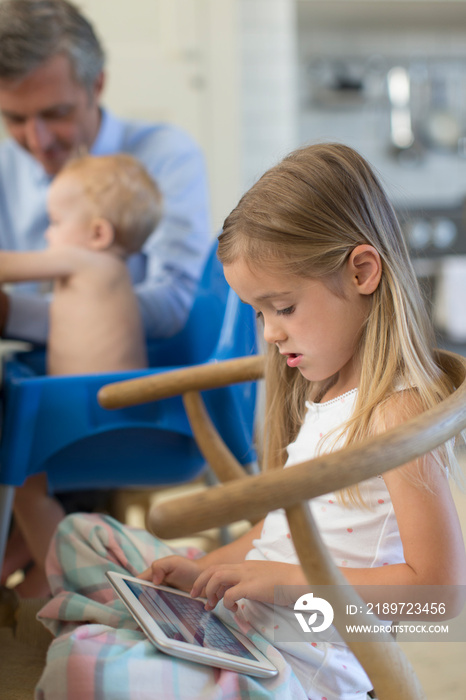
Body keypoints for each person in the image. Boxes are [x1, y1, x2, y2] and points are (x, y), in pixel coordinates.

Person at [35, 144, 466, 700]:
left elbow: (441, 597)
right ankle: (149, 636)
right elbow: (281, 532)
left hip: (301, 664)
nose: (269, 333)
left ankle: (130, 647)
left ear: (363, 272)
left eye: (283, 307)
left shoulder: (394, 408)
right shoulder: (328, 389)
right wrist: (202, 575)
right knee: (81, 535)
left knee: (85, 666)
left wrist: (287, 584)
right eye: (259, 313)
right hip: (249, 620)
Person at [0, 0, 211, 346]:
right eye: (14, 119)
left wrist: (12, 314)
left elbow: (175, 301)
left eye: (56, 114)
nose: (37, 141)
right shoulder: (4, 168)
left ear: (96, 86)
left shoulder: (165, 156)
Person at [0, 152, 163, 598]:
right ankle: (33, 588)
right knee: (27, 486)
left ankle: (73, 581)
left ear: (97, 233)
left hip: (94, 419)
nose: (47, 233)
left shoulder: (87, 262)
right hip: (98, 413)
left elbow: (7, 266)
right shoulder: (110, 272)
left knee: (23, 487)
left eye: (53, 221)